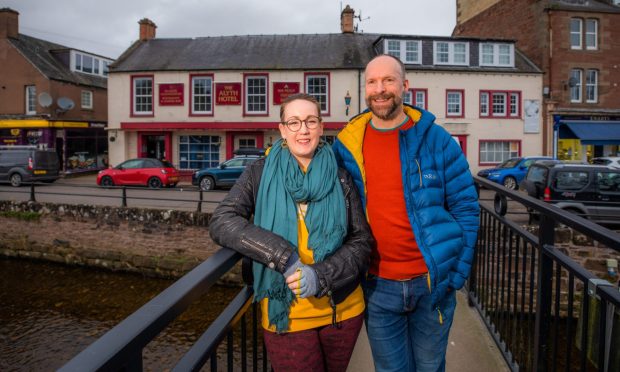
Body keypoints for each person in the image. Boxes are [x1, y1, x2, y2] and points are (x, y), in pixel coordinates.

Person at [332, 54, 480, 372]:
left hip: (431, 284)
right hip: (377, 286)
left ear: (404, 85)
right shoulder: (346, 147)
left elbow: (466, 207)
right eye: (372, 81)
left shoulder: (436, 140)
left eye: (388, 80)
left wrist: (456, 275)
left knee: (429, 367)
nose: (380, 89)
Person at [209, 93, 373, 372]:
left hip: (342, 310)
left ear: (321, 127)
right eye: (294, 122)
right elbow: (222, 220)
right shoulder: (259, 172)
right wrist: (284, 258)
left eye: (310, 121)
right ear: (282, 129)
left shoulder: (340, 176)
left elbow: (362, 241)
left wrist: (320, 276)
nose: (303, 130)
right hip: (286, 314)